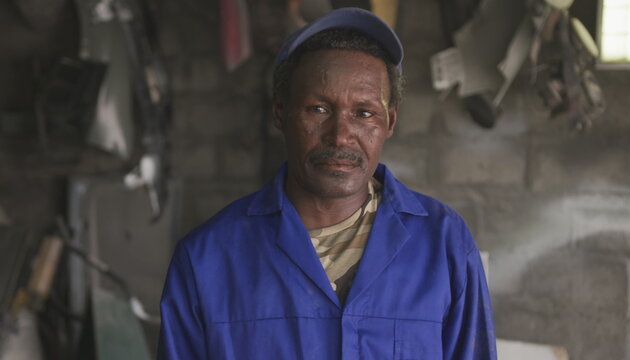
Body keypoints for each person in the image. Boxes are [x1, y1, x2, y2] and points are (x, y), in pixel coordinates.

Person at [158, 7, 496, 360]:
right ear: (280, 111)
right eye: (318, 109)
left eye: (364, 113)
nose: (341, 136)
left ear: (390, 121)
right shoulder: (207, 258)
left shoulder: (444, 244)